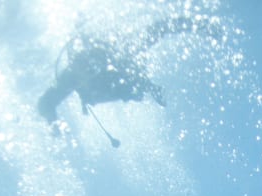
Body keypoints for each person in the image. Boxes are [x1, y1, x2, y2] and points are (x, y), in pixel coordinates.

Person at [37, 15, 220, 129]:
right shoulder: (74, 73)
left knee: (133, 78)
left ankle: (146, 86)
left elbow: (161, 27)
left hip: (124, 79)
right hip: (116, 86)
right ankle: (146, 86)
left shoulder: (123, 51)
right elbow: (45, 103)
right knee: (131, 83)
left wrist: (200, 25)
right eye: (87, 65)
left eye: (95, 62)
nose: (93, 67)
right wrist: (53, 123)